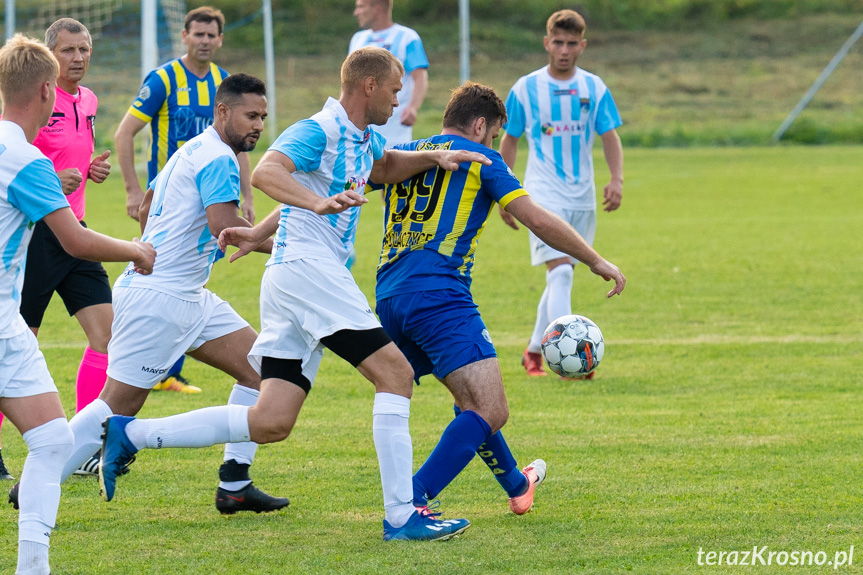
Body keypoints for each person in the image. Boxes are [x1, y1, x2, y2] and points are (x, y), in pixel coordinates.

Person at [99, 47, 490, 542]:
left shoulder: (363, 137)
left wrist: (432, 157)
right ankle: (401, 516)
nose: (398, 101)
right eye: (394, 90)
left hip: (291, 277)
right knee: (395, 374)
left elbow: (385, 165)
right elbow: (266, 172)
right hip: (310, 271)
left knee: (271, 420)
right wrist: (317, 202)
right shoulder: (319, 129)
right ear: (368, 86)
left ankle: (129, 434)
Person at [372, 82, 625, 515]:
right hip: (439, 294)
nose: (492, 146)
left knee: (470, 401)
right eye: (491, 137)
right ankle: (411, 500)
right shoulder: (480, 158)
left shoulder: (405, 152)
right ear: (480, 125)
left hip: (390, 294)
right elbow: (536, 219)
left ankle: (516, 484)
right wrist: (593, 258)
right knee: (490, 408)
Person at [52, 73, 289, 517]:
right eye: (250, 115)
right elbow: (226, 228)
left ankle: (234, 485)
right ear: (223, 111)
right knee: (117, 405)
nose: (258, 125)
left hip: (186, 295)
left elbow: (146, 205)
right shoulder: (218, 158)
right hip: (160, 299)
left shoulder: (194, 147)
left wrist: (159, 249)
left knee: (261, 372)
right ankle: (37, 482)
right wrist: (290, 244)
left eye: (263, 117)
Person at [0, 33, 154, 575]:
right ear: (46, 90)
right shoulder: (27, 160)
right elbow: (76, 240)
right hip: (1, 327)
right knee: (49, 444)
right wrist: (136, 249)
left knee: (51, 439)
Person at [115, 6, 254, 393]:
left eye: (212, 35)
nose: (205, 41)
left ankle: (168, 373)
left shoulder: (227, 83)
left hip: (211, 199)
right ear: (185, 36)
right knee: (120, 401)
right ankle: (159, 373)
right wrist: (130, 188)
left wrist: (247, 197)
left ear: (220, 39)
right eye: (198, 35)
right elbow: (124, 133)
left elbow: (241, 150)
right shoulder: (163, 79)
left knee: (259, 370)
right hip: (171, 195)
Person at [8, 19, 114, 479]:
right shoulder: (34, 101)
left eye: (84, 48)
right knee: (17, 346)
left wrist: (86, 171)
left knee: (108, 335)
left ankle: (85, 444)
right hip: (38, 236)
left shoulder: (87, 100)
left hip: (79, 231)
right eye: (69, 49)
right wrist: (54, 176)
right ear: (51, 58)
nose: (79, 57)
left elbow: (68, 156)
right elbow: (21, 159)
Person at [498, 9, 624, 378]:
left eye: (572, 44)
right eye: (558, 42)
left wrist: (616, 180)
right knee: (563, 272)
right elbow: (510, 139)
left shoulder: (594, 87)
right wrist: (506, 192)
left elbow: (609, 136)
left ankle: (535, 350)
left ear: (582, 46)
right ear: (546, 43)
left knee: (561, 273)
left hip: (582, 196)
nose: (564, 50)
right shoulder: (525, 88)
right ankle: (572, 357)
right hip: (541, 194)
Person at [349, 0, 428, 147]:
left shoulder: (407, 37)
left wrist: (412, 107)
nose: (356, 12)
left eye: (360, 7)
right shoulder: (357, 39)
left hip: (394, 131)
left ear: (377, 9)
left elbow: (420, 77)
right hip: (359, 131)